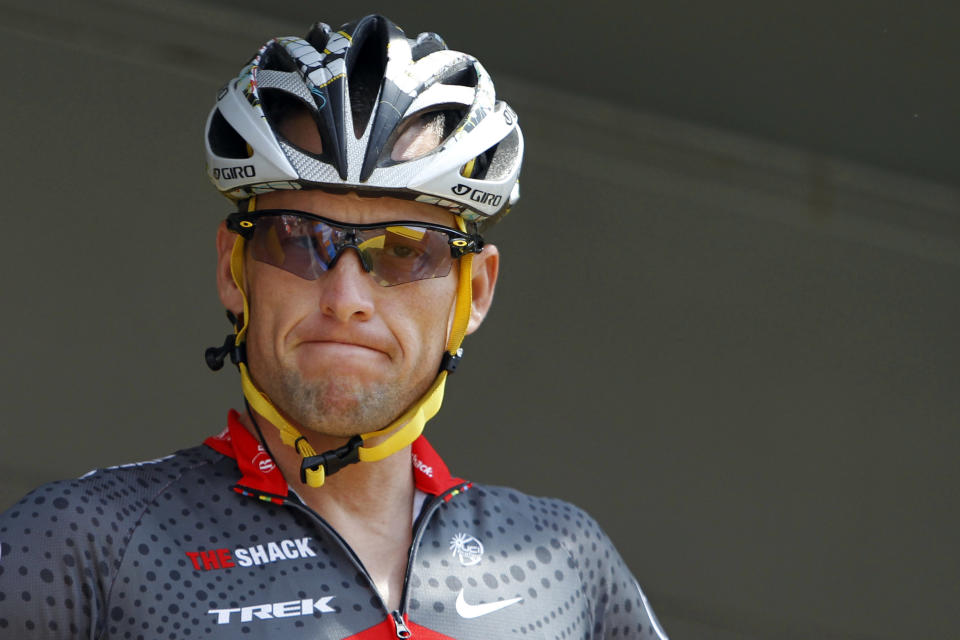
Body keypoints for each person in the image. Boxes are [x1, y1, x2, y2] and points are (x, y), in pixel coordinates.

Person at [0, 14, 668, 639]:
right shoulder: (81, 544)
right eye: (295, 239)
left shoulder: (564, 561)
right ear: (234, 273)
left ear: (476, 290)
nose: (345, 296)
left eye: (404, 250)